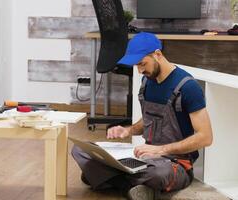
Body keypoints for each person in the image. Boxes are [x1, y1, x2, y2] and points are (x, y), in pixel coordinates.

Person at [71, 32, 213, 200]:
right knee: (81, 150)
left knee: (158, 174)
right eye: (136, 66)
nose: (139, 70)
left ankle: (107, 179)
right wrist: (128, 131)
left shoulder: (188, 87)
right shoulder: (147, 82)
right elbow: (149, 120)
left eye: (142, 64)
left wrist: (161, 149)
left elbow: (206, 137)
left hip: (174, 164)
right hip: (145, 158)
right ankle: (130, 186)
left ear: (158, 54)